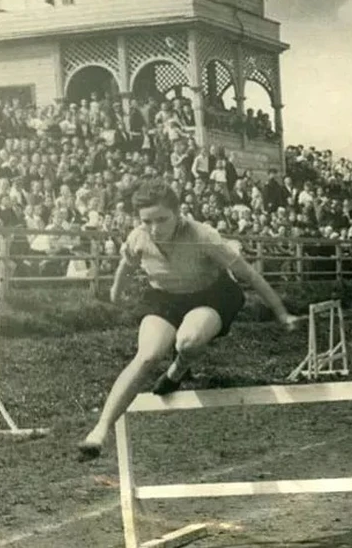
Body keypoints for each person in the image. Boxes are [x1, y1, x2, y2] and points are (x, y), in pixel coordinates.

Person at [77, 180, 298, 462]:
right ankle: (99, 431)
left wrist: (281, 312)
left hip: (211, 294)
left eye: (162, 220)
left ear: (178, 214)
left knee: (188, 340)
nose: (155, 228)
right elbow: (125, 266)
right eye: (147, 221)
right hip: (165, 297)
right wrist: (115, 294)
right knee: (147, 357)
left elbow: (250, 276)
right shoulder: (138, 237)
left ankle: (178, 370)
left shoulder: (203, 236)